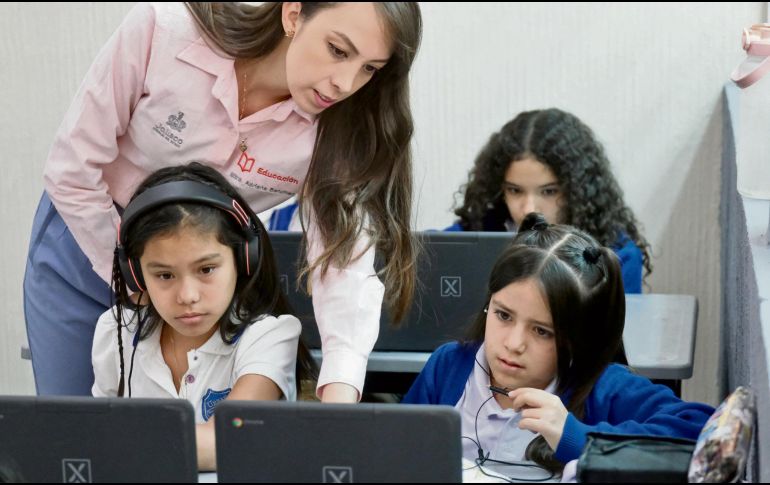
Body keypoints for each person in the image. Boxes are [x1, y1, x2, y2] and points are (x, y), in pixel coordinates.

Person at [24, 2, 422, 402]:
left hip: (196, 277)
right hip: (85, 240)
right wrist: (134, 274)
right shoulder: (162, 31)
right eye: (338, 50)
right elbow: (73, 169)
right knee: (75, 433)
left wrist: (340, 399)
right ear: (293, 13)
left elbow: (344, 269)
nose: (345, 83)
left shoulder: (339, 127)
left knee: (181, 440)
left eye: (370, 68)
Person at [402, 213, 713, 473]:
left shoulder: (601, 388)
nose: (513, 343)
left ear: (576, 340)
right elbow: (396, 448)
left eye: (542, 332)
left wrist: (578, 438)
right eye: (503, 315)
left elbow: (703, 428)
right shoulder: (450, 366)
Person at [91, 162, 314, 470]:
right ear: (136, 276)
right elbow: (97, 434)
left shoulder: (269, 337)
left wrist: (120, 444)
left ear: (242, 259)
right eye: (165, 275)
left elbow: (230, 438)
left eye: (206, 269)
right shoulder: (114, 331)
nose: (187, 296)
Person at [449, 108, 651, 293]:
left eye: (548, 191)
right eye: (514, 190)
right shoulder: (475, 234)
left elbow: (622, 331)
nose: (529, 209)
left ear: (577, 191)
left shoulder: (618, 256)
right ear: (499, 189)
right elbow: (431, 250)